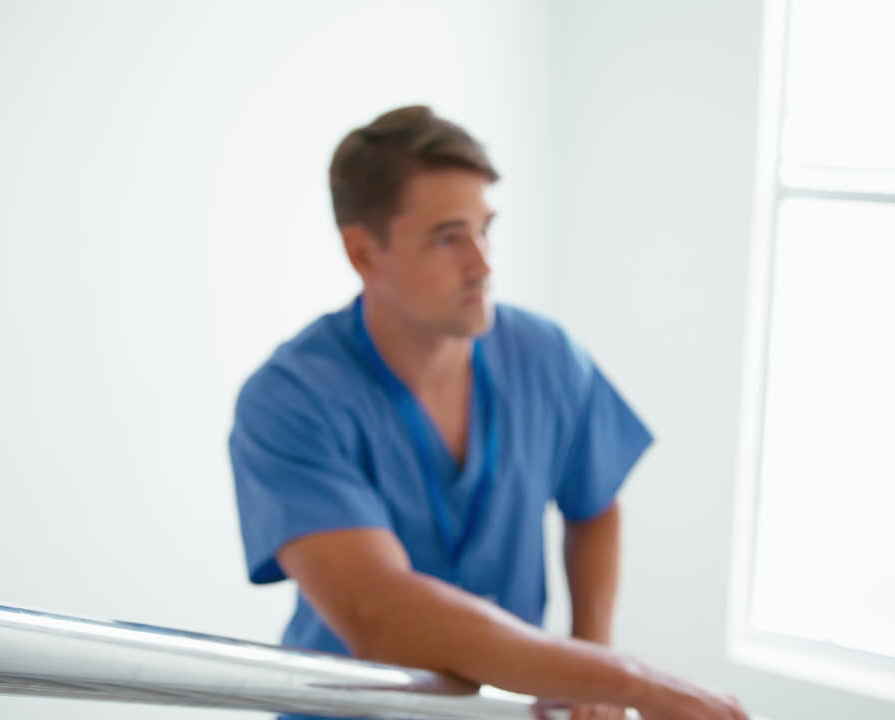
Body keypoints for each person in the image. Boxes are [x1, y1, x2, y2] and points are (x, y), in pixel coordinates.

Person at [229, 105, 748, 720]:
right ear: (364, 252)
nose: (483, 264)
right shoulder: (290, 401)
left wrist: (590, 652)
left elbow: (595, 507)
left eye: (486, 229)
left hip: (502, 708)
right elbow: (381, 616)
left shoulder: (546, 356)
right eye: (449, 237)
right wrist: (630, 682)